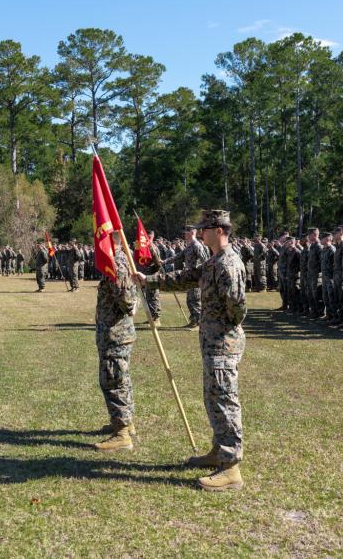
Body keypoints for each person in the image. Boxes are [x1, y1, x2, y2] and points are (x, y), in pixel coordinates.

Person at [132, 209, 246, 492]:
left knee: (225, 401)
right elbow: (186, 276)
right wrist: (149, 280)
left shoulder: (229, 264)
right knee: (213, 398)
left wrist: (221, 329)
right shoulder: (213, 261)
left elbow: (237, 309)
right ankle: (219, 451)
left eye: (205, 228)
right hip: (212, 343)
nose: (200, 232)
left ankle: (231, 468)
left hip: (223, 344)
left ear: (219, 230)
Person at [93, 232, 140, 451]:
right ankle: (125, 423)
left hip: (116, 334)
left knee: (113, 380)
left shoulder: (116, 264)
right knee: (121, 379)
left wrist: (133, 304)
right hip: (115, 333)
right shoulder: (117, 261)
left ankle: (122, 434)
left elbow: (128, 302)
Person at [160, 225, 211, 329]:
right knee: (190, 300)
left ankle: (198, 323)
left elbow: (205, 261)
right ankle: (194, 321)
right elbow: (178, 257)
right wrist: (164, 261)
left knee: (195, 299)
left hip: (196, 277)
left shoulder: (197, 245)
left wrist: (202, 275)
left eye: (186, 232)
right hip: (189, 276)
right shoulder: (189, 246)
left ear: (192, 232)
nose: (184, 234)